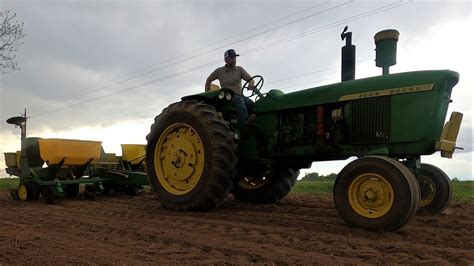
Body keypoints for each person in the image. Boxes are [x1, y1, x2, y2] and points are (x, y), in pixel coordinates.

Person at [205, 49, 255, 122]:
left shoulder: (239, 69)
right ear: (226, 60)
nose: (234, 60)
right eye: (231, 58)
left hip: (240, 95)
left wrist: (251, 84)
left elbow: (251, 79)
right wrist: (207, 94)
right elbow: (209, 80)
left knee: (251, 103)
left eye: (235, 58)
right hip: (227, 97)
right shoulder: (219, 71)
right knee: (239, 101)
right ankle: (245, 123)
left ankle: (256, 120)